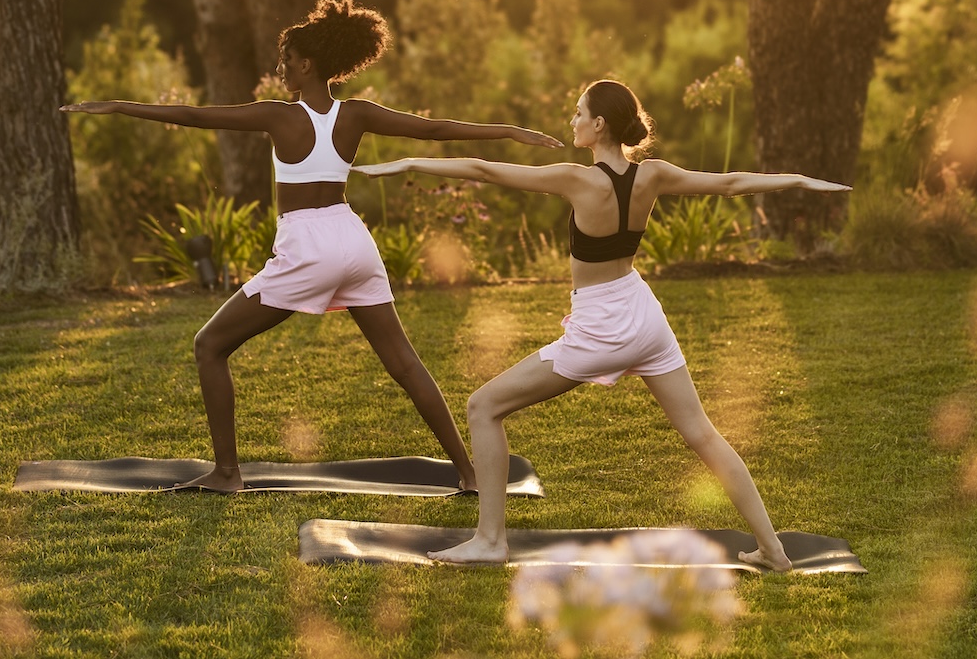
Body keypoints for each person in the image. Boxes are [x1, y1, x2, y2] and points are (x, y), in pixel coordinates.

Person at [62, 0, 562, 492]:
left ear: (306, 63)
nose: (281, 68)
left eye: (286, 60)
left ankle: (227, 474)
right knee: (405, 364)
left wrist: (117, 106)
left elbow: (194, 115)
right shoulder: (356, 114)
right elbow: (433, 129)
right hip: (353, 240)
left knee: (209, 345)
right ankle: (470, 474)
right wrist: (511, 132)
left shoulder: (279, 117)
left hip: (308, 247)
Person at [357, 78, 847, 570]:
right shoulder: (652, 175)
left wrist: (407, 162)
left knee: (483, 406)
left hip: (600, 330)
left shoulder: (578, 179)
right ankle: (773, 549)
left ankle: (490, 541)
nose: (571, 121)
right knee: (702, 433)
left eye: (577, 113)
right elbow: (731, 183)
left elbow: (485, 171)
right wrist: (801, 181)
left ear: (599, 124)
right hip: (644, 316)